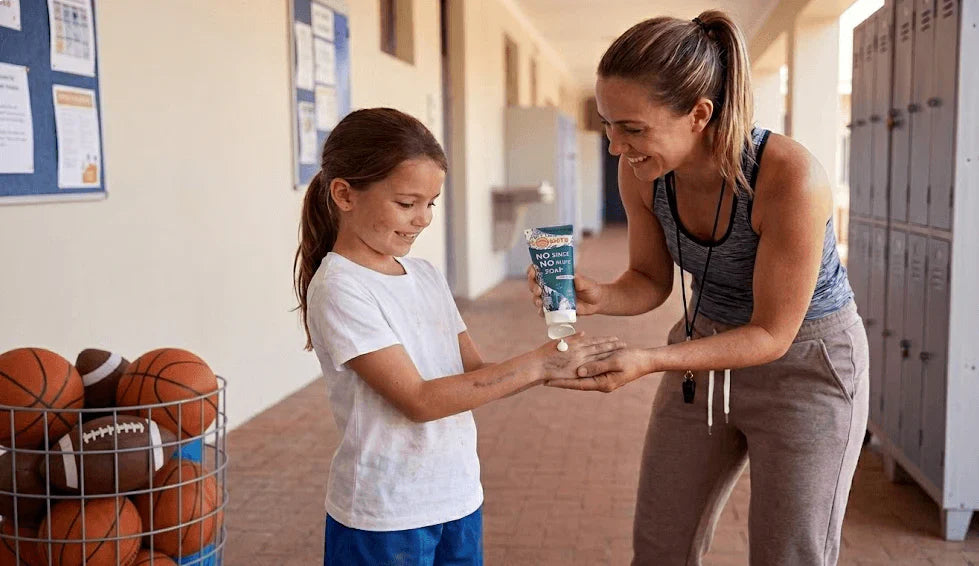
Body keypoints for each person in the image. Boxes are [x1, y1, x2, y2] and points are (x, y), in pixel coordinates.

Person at [528, 11, 868, 566]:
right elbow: (649, 280)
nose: (616, 146)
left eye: (632, 128)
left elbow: (770, 334)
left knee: (790, 554)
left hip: (806, 364)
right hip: (704, 347)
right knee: (661, 545)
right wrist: (599, 295)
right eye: (608, 124)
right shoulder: (643, 172)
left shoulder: (788, 177)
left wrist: (651, 358)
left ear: (699, 114)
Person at [293, 107, 622, 566]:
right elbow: (420, 400)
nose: (423, 219)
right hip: (386, 513)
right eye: (407, 204)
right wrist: (537, 363)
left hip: (457, 494)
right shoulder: (340, 287)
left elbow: (475, 375)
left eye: (431, 203)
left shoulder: (425, 274)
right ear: (345, 195)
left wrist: (560, 363)